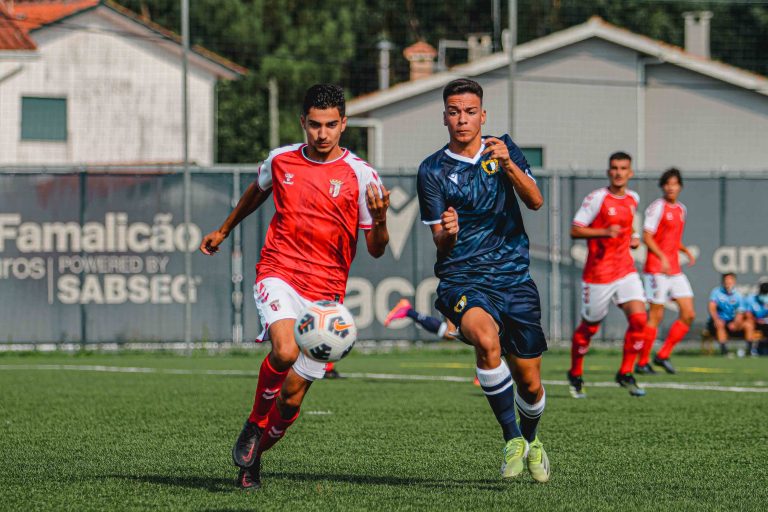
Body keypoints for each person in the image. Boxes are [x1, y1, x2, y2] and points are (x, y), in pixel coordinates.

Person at [199, 84, 390, 490]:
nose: (323, 134)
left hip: (325, 298)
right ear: (303, 122)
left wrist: (382, 219)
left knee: (290, 401)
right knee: (283, 350)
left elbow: (375, 250)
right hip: (279, 272)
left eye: (331, 125)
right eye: (315, 125)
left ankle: (254, 459)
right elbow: (257, 191)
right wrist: (224, 229)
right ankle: (253, 424)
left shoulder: (361, 175)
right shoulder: (281, 160)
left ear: (344, 124)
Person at [417, 78, 550, 483]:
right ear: (444, 117)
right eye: (454, 112)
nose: (462, 119)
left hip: (513, 277)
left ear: (483, 115)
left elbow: (535, 200)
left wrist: (508, 163)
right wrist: (449, 234)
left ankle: (530, 440)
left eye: (470, 112)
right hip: (462, 277)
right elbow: (439, 242)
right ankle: (512, 438)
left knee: (530, 385)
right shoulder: (432, 170)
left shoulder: (502, 149)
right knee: (485, 339)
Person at [567, 152, 647, 398]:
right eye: (614, 168)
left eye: (623, 168)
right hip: (598, 274)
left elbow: (628, 225)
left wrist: (633, 238)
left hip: (625, 269)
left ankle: (625, 373)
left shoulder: (633, 197)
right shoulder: (597, 198)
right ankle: (576, 372)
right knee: (589, 328)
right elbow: (575, 230)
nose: (618, 172)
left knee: (639, 320)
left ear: (630, 172)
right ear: (608, 171)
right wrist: (603, 231)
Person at [636, 168, 696, 375]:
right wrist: (661, 257)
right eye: (667, 184)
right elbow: (648, 236)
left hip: (674, 269)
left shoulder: (681, 209)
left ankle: (662, 355)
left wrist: (684, 249)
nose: (671, 187)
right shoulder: (657, 207)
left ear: (680, 186)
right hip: (656, 270)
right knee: (656, 316)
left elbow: (671, 238)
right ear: (663, 186)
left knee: (688, 313)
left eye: (675, 184)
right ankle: (642, 362)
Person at [708, 273, 752, 356]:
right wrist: (716, 319)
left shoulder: (738, 295)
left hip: (733, 321)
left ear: (734, 281)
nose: (728, 282)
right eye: (726, 280)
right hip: (719, 320)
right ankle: (724, 351)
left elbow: (740, 311)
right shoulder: (716, 292)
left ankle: (749, 351)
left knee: (748, 325)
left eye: (730, 280)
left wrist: (735, 323)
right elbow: (712, 308)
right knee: (720, 325)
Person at [744, 279, 768, 356]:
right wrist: (755, 320)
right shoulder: (751, 299)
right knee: (748, 324)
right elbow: (747, 314)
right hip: (755, 323)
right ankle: (750, 350)